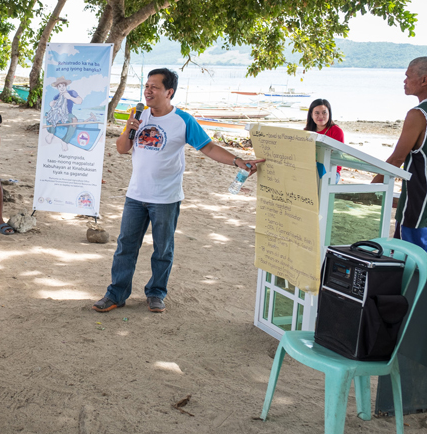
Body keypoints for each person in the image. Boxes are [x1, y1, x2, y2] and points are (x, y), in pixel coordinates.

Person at [92, 69, 264, 314]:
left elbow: (209, 148)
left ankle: (156, 293)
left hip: (165, 198)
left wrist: (238, 161)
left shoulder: (183, 120)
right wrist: (129, 128)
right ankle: (116, 294)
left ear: (169, 92)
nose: (148, 91)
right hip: (135, 195)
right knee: (125, 246)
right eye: (147, 86)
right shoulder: (137, 114)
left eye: (155, 87)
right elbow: (121, 149)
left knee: (163, 249)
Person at [373, 57, 427, 249]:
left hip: (418, 208)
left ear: (424, 80)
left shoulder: (418, 115)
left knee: (412, 266)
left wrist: (370, 189)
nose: (404, 81)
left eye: (408, 76)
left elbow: (397, 159)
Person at [304, 99, 345, 183]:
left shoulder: (336, 131)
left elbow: (338, 156)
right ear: (311, 115)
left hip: (331, 171)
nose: (321, 116)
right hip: (310, 169)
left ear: (329, 114)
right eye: (317, 113)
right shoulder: (306, 132)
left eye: (324, 112)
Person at [44, 76, 82, 152]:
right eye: (59, 86)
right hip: (58, 114)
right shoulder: (57, 96)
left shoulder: (71, 92)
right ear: (57, 88)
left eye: (63, 85)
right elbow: (53, 107)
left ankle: (65, 141)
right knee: (52, 113)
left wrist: (70, 98)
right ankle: (51, 134)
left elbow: (79, 101)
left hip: (67, 114)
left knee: (74, 120)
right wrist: (52, 103)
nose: (61, 88)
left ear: (66, 86)